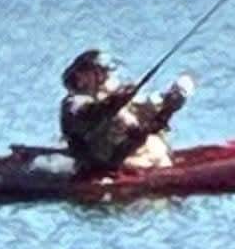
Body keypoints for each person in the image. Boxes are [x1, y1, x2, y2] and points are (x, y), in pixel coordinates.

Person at [59, 49, 194, 172]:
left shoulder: (108, 94)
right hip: (101, 164)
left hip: (128, 155)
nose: (105, 76)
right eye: (101, 72)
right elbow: (92, 113)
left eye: (106, 72)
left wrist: (169, 104)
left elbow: (141, 116)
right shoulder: (73, 102)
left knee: (146, 121)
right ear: (85, 75)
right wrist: (115, 102)